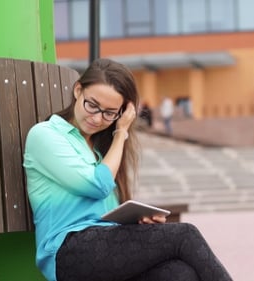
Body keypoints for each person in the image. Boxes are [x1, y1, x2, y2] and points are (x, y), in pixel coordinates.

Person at [23, 58, 232, 281]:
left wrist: (139, 222)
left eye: (109, 113)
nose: (97, 118)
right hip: (67, 252)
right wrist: (120, 133)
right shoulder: (46, 135)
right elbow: (97, 185)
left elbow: (106, 218)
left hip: (103, 250)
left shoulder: (100, 152)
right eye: (92, 105)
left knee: (179, 274)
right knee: (185, 234)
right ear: (78, 90)